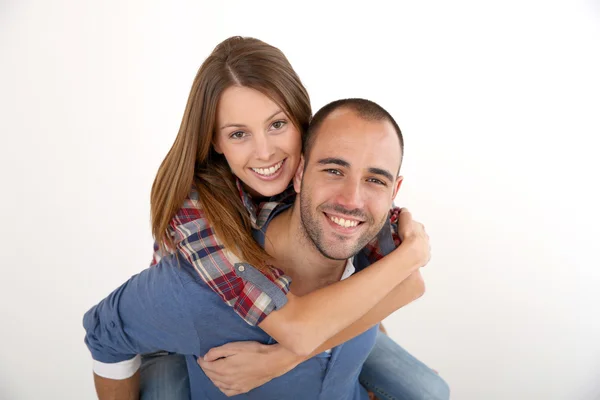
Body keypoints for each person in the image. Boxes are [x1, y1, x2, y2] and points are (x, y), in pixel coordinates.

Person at [85, 36, 449, 399]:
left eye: (277, 125)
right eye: (239, 134)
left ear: (301, 121)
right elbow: (299, 330)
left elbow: (407, 282)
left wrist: (281, 360)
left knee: (429, 390)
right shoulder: (197, 211)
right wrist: (412, 255)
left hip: (303, 326)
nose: (264, 152)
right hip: (184, 333)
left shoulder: (322, 168)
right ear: (215, 140)